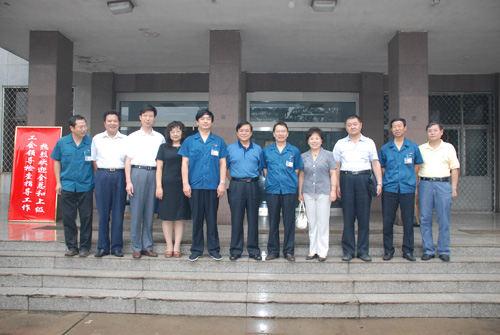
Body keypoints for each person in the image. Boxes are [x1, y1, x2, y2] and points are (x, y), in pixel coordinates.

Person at [179, 109, 228, 262]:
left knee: (212, 219)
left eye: (208, 119)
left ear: (212, 122)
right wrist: (185, 183)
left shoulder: (218, 141)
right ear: (197, 122)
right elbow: (184, 163)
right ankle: (196, 249)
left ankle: (214, 249)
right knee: (197, 219)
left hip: (213, 186)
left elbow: (222, 164)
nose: (205, 121)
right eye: (202, 118)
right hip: (195, 186)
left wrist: (222, 183)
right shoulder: (189, 141)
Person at [333, 115, 382, 262]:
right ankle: (348, 250)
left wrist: (379, 182)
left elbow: (375, 163)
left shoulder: (369, 142)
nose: (352, 127)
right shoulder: (340, 143)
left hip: (364, 179)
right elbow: (336, 166)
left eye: (355, 124)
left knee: (363, 217)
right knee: (348, 217)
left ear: (361, 125)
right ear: (346, 127)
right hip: (346, 179)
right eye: (349, 124)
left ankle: (363, 251)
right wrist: (337, 185)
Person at [378, 118, 423, 262]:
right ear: (391, 129)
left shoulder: (413, 147)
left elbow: (417, 166)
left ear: (405, 128)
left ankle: (408, 250)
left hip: (407, 188)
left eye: (399, 126)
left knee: (408, 221)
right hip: (390, 188)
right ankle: (388, 250)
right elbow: (382, 167)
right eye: (394, 127)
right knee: (388, 221)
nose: (397, 129)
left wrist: (409, 178)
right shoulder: (386, 148)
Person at [125, 104, 166, 259]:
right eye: (145, 115)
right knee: (136, 212)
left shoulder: (159, 137)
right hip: (138, 172)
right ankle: (136, 247)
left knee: (150, 212)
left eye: (151, 116)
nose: (148, 118)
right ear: (140, 117)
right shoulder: (132, 137)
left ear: (154, 118)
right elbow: (128, 160)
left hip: (154, 173)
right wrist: (128, 181)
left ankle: (147, 246)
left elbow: (161, 161)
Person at [51, 115, 94, 257]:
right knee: (69, 218)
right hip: (68, 185)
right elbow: (56, 161)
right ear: (72, 128)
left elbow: (95, 164)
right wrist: (58, 182)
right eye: (80, 127)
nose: (84, 129)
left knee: (86, 217)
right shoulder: (62, 143)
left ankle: (85, 247)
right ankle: (71, 246)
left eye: (85, 126)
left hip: (86, 185)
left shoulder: (91, 142)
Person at [261, 121, 303, 262]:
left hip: (289, 190)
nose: (280, 134)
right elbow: (265, 170)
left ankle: (288, 251)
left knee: (289, 222)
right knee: (273, 221)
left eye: (283, 131)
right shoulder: (267, 150)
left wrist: (288, 180)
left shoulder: (294, 151)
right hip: (272, 190)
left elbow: (297, 170)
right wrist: (273, 180)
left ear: (287, 134)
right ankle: (273, 251)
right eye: (278, 131)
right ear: (274, 134)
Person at [418, 121, 460, 262]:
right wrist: (417, 189)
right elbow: (416, 170)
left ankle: (443, 250)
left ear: (441, 132)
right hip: (425, 184)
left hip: (443, 184)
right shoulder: (421, 148)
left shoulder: (448, 148)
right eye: (430, 130)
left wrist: (453, 188)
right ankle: (428, 250)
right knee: (424, 218)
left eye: (435, 130)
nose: (432, 133)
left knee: (443, 219)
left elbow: (454, 168)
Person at [91, 110, 127, 258]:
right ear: (104, 123)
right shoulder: (97, 139)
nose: (112, 123)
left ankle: (117, 247)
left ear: (119, 123)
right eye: (109, 121)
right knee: (103, 214)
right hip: (102, 175)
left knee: (118, 214)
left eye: (115, 121)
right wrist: (100, 175)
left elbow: (128, 160)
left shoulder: (126, 139)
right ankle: (102, 247)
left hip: (120, 175)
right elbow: (94, 160)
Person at [298, 127, 337, 262]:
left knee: (323, 222)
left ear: (321, 140)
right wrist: (300, 192)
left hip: (324, 192)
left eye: (317, 138)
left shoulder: (328, 155)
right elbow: (302, 175)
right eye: (311, 138)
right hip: (308, 192)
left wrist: (333, 190)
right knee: (312, 222)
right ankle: (312, 250)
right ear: (308, 141)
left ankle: (322, 251)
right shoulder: (303, 156)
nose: (314, 141)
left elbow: (333, 173)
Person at [226, 121, 262, 261]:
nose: (244, 133)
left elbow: (260, 168)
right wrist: (234, 180)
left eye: (247, 130)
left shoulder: (258, 149)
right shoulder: (230, 148)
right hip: (236, 185)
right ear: (237, 133)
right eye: (241, 130)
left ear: (251, 133)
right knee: (236, 218)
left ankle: (253, 250)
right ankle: (235, 250)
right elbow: (226, 168)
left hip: (253, 185)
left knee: (253, 219)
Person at [155, 121, 191, 258]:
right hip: (167, 185)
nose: (175, 134)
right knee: (167, 217)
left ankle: (177, 247)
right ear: (168, 133)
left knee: (179, 217)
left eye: (178, 131)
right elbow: (159, 168)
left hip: (182, 185)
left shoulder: (186, 147)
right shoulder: (163, 147)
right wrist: (158, 186)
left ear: (182, 132)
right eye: (172, 131)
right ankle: (169, 245)